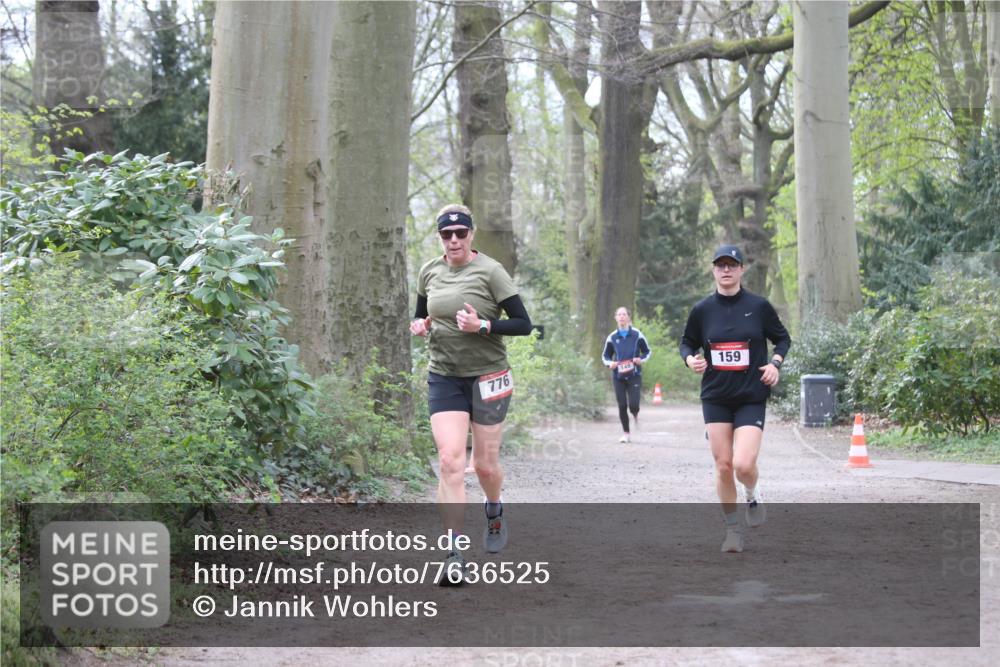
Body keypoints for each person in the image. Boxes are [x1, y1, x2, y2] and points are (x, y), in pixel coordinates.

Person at [410, 204, 533, 584]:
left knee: (484, 465)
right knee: (449, 462)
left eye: (460, 233)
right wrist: (421, 325)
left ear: (471, 234)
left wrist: (482, 325)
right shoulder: (429, 270)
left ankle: (494, 509)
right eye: (447, 235)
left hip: (489, 377)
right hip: (445, 376)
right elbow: (420, 313)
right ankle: (453, 552)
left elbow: (524, 324)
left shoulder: (491, 271)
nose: (454, 240)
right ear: (439, 238)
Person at [679, 245, 791, 553]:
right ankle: (732, 531)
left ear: (742, 270)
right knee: (724, 466)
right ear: (714, 271)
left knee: (743, 465)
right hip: (715, 395)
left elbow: (782, 338)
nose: (726, 270)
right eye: (720, 265)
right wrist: (690, 360)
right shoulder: (702, 310)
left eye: (732, 265)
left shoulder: (759, 306)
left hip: (751, 395)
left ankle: (752, 494)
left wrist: (775, 364)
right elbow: (687, 343)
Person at [602, 307, 651, 443]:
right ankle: (626, 433)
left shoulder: (637, 335)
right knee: (622, 405)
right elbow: (605, 356)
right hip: (618, 376)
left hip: (634, 375)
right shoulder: (612, 337)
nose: (622, 317)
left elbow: (647, 351)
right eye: (619, 314)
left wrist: (640, 359)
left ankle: (635, 413)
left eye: (624, 314)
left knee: (634, 405)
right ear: (616, 318)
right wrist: (610, 363)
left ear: (629, 317)